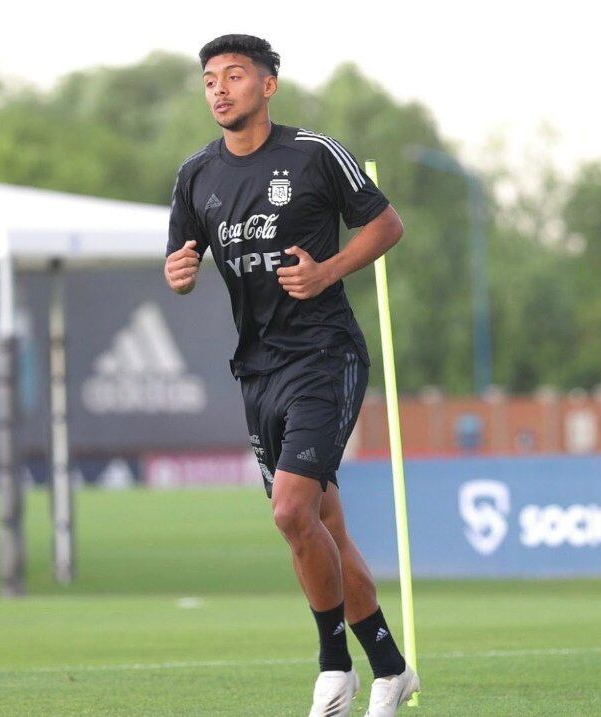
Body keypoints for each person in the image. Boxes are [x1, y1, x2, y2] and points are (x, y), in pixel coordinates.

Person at [164, 33, 420, 717]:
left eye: (235, 76)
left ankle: (334, 668)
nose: (220, 88)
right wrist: (179, 274)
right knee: (320, 521)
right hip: (257, 370)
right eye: (210, 79)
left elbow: (387, 224)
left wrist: (328, 270)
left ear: (267, 85)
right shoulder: (195, 176)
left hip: (325, 354)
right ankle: (391, 669)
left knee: (290, 510)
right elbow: (182, 261)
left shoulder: (313, 154)